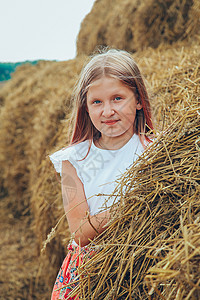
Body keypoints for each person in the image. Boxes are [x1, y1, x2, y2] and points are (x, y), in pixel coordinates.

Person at [49, 48, 154, 299]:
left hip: (146, 267)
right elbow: (80, 232)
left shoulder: (157, 152)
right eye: (97, 102)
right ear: (85, 108)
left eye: (118, 98)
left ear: (138, 100)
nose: (107, 111)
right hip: (90, 274)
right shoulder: (74, 161)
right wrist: (130, 207)